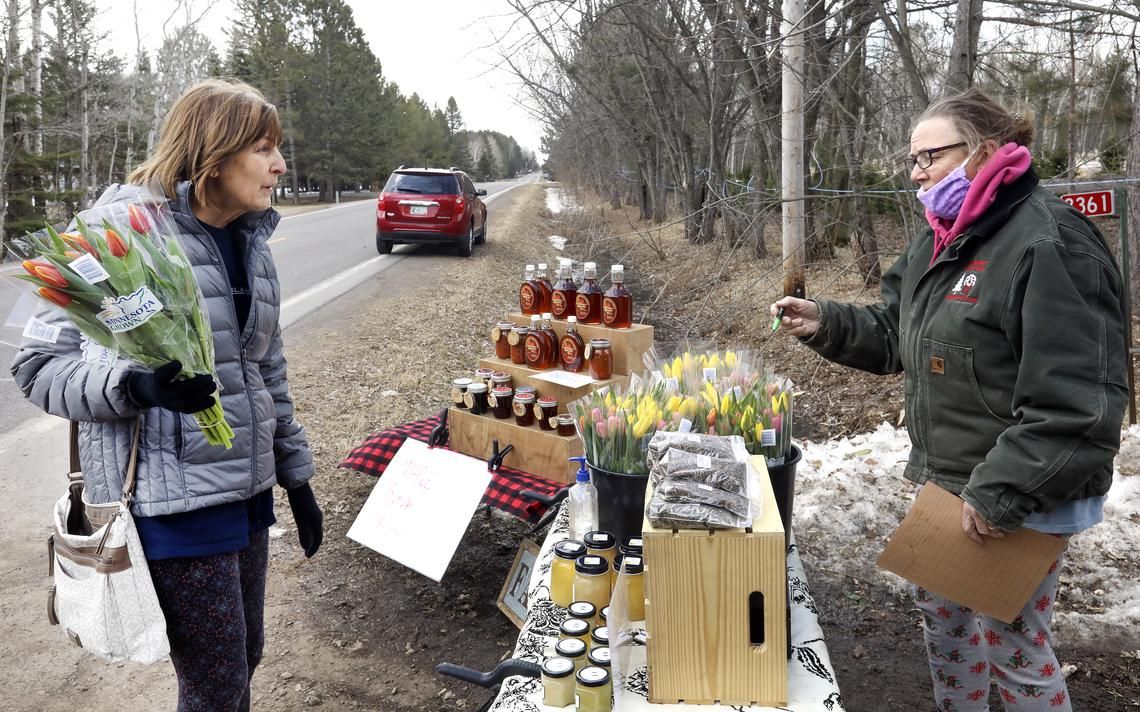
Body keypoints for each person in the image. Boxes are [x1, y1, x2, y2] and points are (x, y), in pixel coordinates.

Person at [771, 88, 1126, 711]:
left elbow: (1079, 404)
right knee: (944, 620)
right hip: (951, 481)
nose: (915, 173)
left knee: (1014, 646)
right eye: (911, 159)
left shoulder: (1049, 243)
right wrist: (824, 321)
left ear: (984, 151)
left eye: (928, 156)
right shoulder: (945, 235)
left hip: (1019, 489)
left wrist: (1001, 492)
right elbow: (899, 332)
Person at [11, 78, 324, 711]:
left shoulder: (251, 240)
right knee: (216, 685)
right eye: (263, 149)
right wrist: (136, 387)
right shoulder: (108, 232)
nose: (280, 165)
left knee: (245, 659)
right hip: (170, 502)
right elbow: (36, 366)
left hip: (246, 492)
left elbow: (266, 369)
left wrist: (295, 476)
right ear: (214, 154)